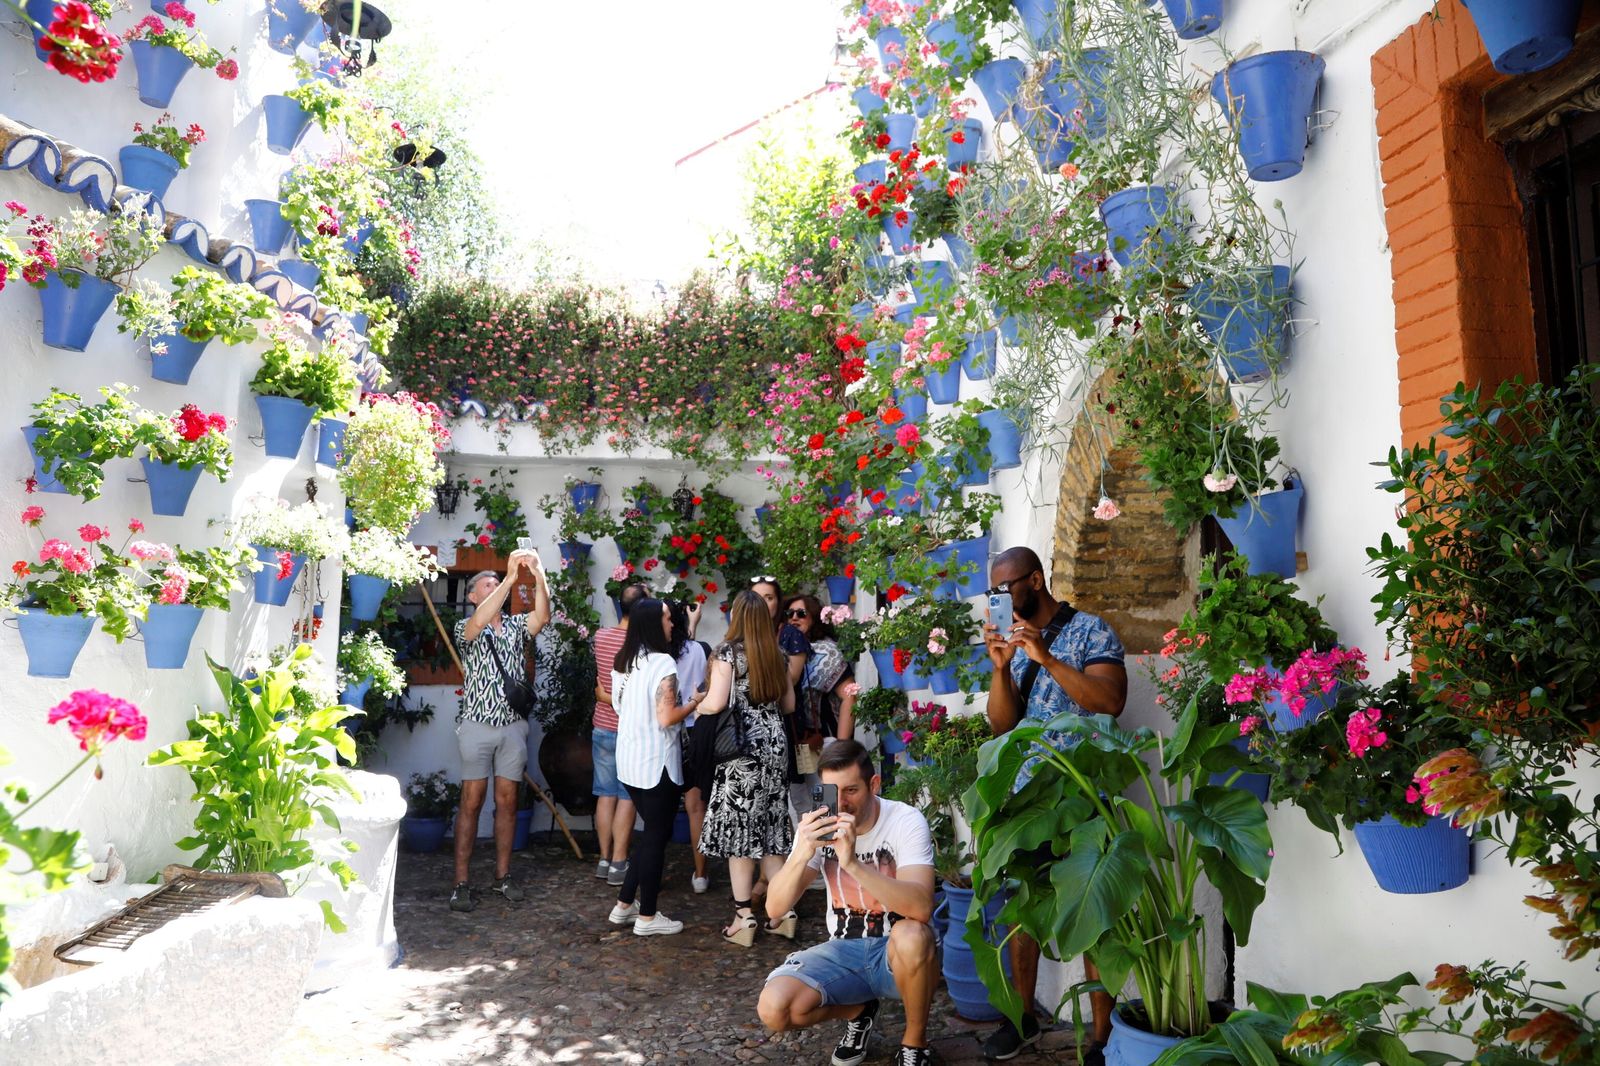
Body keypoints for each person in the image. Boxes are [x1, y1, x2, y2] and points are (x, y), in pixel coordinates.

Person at [979, 546, 1128, 1062]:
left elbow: (1109, 702)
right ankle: (1021, 1019)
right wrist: (1003, 667)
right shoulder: (1011, 642)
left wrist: (1046, 658)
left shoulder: (1093, 631)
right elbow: (1003, 726)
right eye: (991, 591)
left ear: (1035, 580)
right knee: (1025, 911)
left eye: (1004, 588)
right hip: (1031, 798)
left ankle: (1103, 1038)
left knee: (1095, 912)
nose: (997, 599)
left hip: (1088, 796)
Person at [756, 740, 938, 1066]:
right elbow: (774, 910)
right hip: (843, 950)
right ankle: (859, 1011)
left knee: (912, 935)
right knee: (774, 1009)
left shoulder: (905, 821)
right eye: (831, 792)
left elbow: (922, 907)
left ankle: (914, 1043)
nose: (841, 803)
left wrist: (853, 863)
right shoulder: (816, 827)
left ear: (874, 784)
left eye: (851, 790)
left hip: (896, 954)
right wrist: (802, 852)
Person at [449, 549, 551, 913]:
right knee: (471, 802)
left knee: (507, 802)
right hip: (476, 724)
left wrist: (538, 574)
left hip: (512, 728)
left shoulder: (515, 626)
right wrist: (509, 578)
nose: (495, 589)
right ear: (474, 595)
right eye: (487, 586)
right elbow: (479, 623)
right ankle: (461, 882)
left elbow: (542, 616)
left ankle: (502, 876)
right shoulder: (466, 625)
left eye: (498, 584)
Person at [695, 591, 796, 947]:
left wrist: (696, 706)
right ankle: (783, 914)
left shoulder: (728, 653)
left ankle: (743, 918)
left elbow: (717, 701)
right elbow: (789, 704)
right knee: (770, 827)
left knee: (741, 833)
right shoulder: (778, 654)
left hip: (740, 748)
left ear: (737, 616)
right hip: (774, 745)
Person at [607, 597, 701, 936]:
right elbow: (666, 718)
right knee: (655, 839)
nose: (671, 623)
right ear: (652, 624)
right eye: (666, 618)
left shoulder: (624, 660)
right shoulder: (663, 663)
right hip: (657, 764)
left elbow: (619, 707)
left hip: (630, 760)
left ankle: (623, 905)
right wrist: (694, 702)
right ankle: (647, 917)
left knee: (649, 836)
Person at [592, 582, 646, 887]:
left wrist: (605, 697)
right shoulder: (642, 644)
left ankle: (603, 858)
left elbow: (603, 684)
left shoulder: (601, 636)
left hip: (602, 724)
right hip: (629, 728)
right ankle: (618, 862)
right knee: (627, 796)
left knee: (605, 793)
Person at [666, 598, 711, 894]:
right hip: (695, 730)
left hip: (667, 731)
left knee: (662, 808)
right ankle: (700, 874)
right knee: (696, 807)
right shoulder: (698, 650)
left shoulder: (656, 654)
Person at [784, 594, 858, 747]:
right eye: (789, 614)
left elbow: (850, 697)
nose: (794, 618)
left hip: (826, 740)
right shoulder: (783, 651)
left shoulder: (827, 652)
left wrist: (841, 747)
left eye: (801, 613)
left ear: (814, 618)